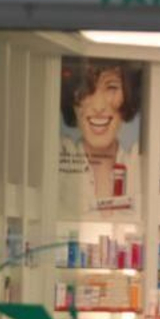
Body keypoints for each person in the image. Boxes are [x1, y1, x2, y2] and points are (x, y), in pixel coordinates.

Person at [59, 59, 141, 216]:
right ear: (71, 100)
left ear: (128, 95)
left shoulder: (140, 167)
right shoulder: (56, 166)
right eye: (85, 89)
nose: (98, 107)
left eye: (111, 88)